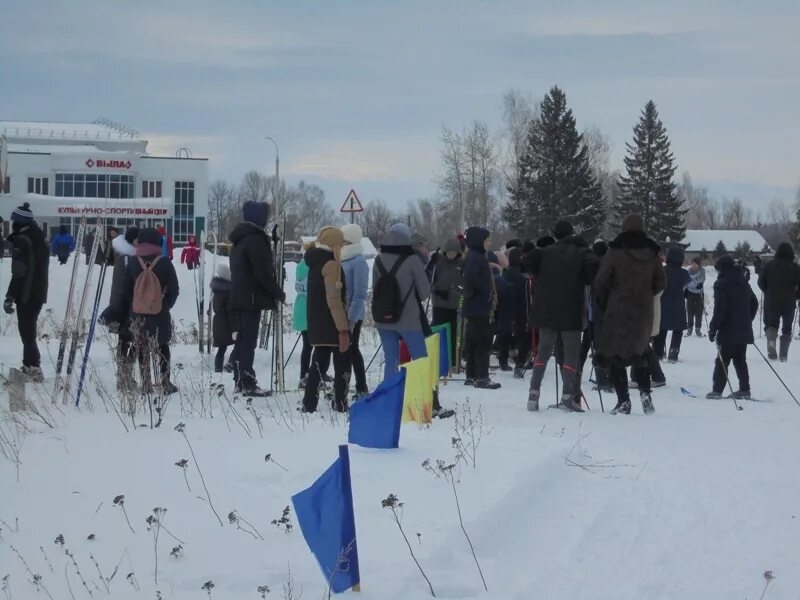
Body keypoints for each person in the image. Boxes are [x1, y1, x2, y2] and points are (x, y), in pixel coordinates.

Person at [594, 215, 666, 415]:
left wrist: (605, 302)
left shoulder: (615, 251)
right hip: (643, 309)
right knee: (640, 351)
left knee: (616, 354)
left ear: (624, 228)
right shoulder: (652, 253)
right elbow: (661, 282)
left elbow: (601, 281)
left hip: (618, 308)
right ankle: (645, 395)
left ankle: (624, 401)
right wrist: (644, 294)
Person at [526, 220, 599, 412]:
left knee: (542, 352)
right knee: (571, 355)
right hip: (571, 311)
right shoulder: (583, 252)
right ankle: (568, 396)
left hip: (546, 311)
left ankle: (533, 394)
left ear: (555, 234)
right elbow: (594, 272)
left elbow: (526, 262)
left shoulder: (544, 252)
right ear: (573, 233)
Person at [104, 228, 180, 395]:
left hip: (137, 314)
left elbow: (125, 291)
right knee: (162, 346)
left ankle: (145, 383)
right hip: (160, 313)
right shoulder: (165, 262)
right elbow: (174, 289)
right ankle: (165, 382)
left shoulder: (132, 262)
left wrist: (134, 306)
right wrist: (165, 304)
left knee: (142, 347)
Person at [229, 201, 285, 395]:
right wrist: (277, 292)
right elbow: (262, 272)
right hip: (251, 298)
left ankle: (239, 377)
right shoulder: (255, 240)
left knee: (243, 338)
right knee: (248, 341)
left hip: (239, 296)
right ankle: (246, 380)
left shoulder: (240, 239)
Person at [302, 226, 351, 413]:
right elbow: (334, 299)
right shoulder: (331, 265)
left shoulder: (314, 262)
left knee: (318, 364)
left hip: (317, 322)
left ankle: (309, 403)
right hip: (332, 324)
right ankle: (340, 402)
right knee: (343, 364)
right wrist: (343, 329)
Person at [372, 223, 430, 381]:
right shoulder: (412, 260)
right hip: (409, 320)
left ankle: (390, 398)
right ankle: (419, 398)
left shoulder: (378, 260)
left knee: (391, 360)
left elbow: (375, 290)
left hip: (383, 319)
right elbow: (424, 293)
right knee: (420, 359)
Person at [4, 203, 49, 382]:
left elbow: (20, 272)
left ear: (19, 222)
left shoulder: (22, 241)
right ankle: (31, 365)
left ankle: (34, 368)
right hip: (38, 291)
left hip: (27, 293)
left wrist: (10, 296)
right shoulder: (38, 237)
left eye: (14, 220)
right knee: (28, 330)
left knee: (27, 331)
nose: (12, 223)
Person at [707, 254, 758, 399]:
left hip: (727, 330)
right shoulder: (743, 282)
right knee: (740, 359)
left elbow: (720, 309)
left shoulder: (721, 284)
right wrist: (747, 319)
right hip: (743, 329)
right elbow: (754, 303)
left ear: (721, 269)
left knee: (722, 360)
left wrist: (713, 329)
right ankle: (744, 389)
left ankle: (717, 390)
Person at [461, 227, 501, 389]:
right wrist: (485, 289)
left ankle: (471, 375)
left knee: (472, 340)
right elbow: (471, 277)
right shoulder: (476, 257)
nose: (489, 243)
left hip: (473, 305)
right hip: (478, 306)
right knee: (483, 341)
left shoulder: (473, 256)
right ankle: (482, 376)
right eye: (487, 240)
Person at [108, 226, 140, 392]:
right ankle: (124, 373)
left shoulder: (124, 254)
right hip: (126, 304)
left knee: (126, 339)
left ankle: (124, 373)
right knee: (131, 339)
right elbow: (126, 283)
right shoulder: (128, 257)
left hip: (121, 303)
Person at [757, 242, 800, 361]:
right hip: (789, 301)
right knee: (787, 328)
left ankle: (771, 343)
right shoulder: (795, 268)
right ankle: (783, 354)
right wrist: (796, 296)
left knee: (771, 325)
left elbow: (760, 282)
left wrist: (767, 291)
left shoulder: (769, 266)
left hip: (772, 300)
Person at [340, 224, 370, 399]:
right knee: (343, 351)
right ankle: (342, 384)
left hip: (353, 314)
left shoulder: (359, 262)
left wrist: (351, 320)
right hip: (342, 312)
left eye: (344, 239)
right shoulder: (343, 258)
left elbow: (360, 293)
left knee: (352, 349)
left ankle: (361, 386)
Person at [430, 237, 464, 369]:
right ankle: (438, 359)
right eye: (449, 252)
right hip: (440, 303)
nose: (451, 254)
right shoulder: (438, 262)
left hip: (455, 305)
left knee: (455, 334)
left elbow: (464, 281)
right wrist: (436, 290)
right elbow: (429, 279)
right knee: (439, 332)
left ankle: (454, 360)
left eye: (454, 252)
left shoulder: (461, 263)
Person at [654, 246, 690, 362]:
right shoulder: (683, 273)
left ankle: (658, 353)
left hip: (662, 304)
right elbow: (687, 283)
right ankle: (673, 353)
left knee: (661, 329)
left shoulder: (662, 270)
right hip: (678, 305)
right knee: (678, 330)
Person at [501, 247, 531, 378]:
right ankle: (520, 361)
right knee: (524, 336)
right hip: (522, 309)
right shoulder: (523, 275)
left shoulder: (506, 273)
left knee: (506, 335)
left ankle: (504, 359)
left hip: (507, 308)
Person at [489, 252, 514, 372]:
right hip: (504, 311)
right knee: (504, 333)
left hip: (487, 311)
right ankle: (503, 361)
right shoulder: (502, 280)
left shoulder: (483, 277)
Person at [210, 263, 236, 373]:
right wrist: (235, 328)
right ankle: (231, 363)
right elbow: (230, 312)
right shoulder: (227, 292)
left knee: (221, 348)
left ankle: (218, 369)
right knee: (239, 343)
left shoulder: (216, 290)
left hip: (217, 323)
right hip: (226, 324)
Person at [685, 256, 706, 337]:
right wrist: (685, 290)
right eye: (693, 263)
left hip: (699, 294)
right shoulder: (689, 271)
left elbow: (702, 279)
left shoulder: (702, 271)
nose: (694, 265)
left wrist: (700, 283)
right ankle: (689, 328)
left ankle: (698, 329)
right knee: (690, 311)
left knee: (699, 312)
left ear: (699, 265)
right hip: (690, 293)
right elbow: (686, 281)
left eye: (696, 264)